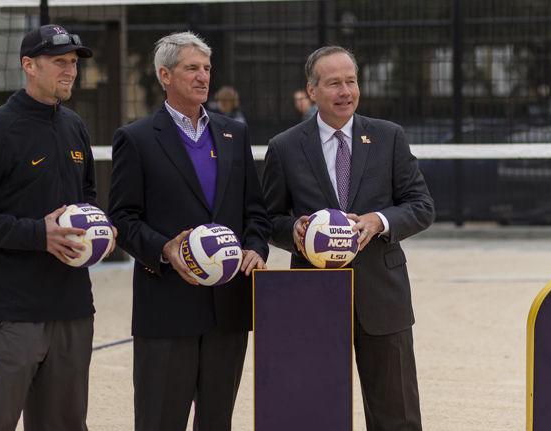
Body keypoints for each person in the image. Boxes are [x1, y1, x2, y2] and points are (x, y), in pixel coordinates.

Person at [262, 46, 435, 431]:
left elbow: (421, 205)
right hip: (314, 297)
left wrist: (378, 221)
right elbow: (267, 218)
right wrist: (295, 231)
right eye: (334, 83)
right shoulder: (285, 147)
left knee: (398, 416)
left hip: (383, 295)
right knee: (315, 413)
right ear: (312, 91)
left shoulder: (389, 137)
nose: (345, 91)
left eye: (351, 81)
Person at [109, 31, 270, 431]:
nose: (202, 77)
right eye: (191, 68)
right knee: (160, 420)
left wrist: (255, 247)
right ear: (164, 75)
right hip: (166, 308)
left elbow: (255, 211)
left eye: (207, 68)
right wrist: (165, 250)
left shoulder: (235, 133)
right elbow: (123, 219)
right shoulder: (137, 138)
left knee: (217, 422)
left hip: (228, 309)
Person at [0, 24, 107, 430]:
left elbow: (87, 196)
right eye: (59, 62)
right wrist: (39, 235)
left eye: (73, 63)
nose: (70, 71)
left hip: (73, 308)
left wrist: (98, 231)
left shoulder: (75, 126)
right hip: (11, 313)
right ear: (28, 65)